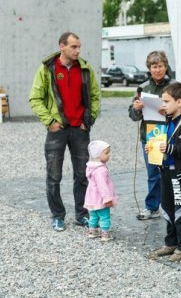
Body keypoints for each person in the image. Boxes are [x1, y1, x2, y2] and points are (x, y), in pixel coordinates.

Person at [29, 31, 100, 231]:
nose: (78, 50)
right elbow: (35, 98)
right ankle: (58, 216)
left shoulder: (86, 69)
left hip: (80, 130)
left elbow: (94, 96)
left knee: (82, 175)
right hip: (57, 130)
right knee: (54, 176)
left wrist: (90, 119)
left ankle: (82, 215)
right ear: (62, 46)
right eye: (73, 47)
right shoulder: (47, 68)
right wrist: (50, 121)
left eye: (79, 47)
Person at [129, 51, 181, 220]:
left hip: (171, 136)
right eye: (154, 66)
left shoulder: (175, 86)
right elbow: (132, 116)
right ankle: (152, 207)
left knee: (171, 172)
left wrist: (169, 111)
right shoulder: (142, 88)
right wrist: (136, 109)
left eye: (160, 66)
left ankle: (172, 203)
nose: (157, 70)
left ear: (166, 66)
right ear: (149, 68)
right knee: (153, 173)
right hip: (150, 137)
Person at [147, 82, 181, 262]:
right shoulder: (165, 121)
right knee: (167, 207)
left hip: (180, 173)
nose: (163, 105)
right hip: (165, 170)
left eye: (166, 101)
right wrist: (152, 148)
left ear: (179, 102)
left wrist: (170, 148)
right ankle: (172, 242)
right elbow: (162, 145)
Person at [85, 140, 118, 242]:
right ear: (99, 154)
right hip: (100, 198)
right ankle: (105, 234)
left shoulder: (91, 167)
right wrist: (107, 198)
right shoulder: (100, 170)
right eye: (106, 153)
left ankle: (92, 232)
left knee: (93, 216)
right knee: (104, 216)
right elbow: (102, 186)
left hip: (91, 198)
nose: (109, 155)